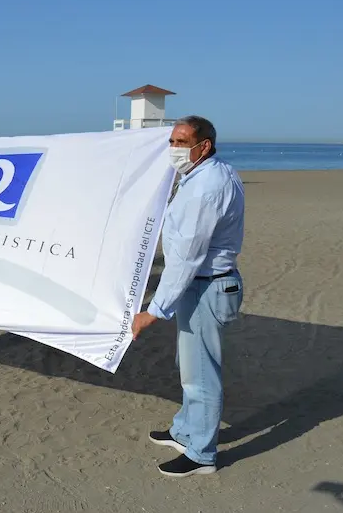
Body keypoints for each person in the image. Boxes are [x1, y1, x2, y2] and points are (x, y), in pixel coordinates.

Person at [132, 116, 245, 478]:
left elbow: (186, 256)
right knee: (191, 365)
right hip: (202, 283)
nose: (174, 148)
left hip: (205, 284)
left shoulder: (205, 187)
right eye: (172, 141)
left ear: (204, 146)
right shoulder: (207, 174)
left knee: (201, 374)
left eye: (182, 142)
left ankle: (201, 455)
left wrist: (154, 310)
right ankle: (185, 431)